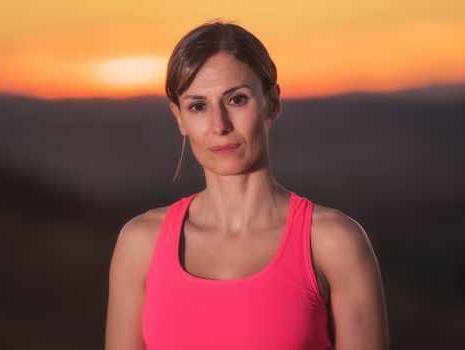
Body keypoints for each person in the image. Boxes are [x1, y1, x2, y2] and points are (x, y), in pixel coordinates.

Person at [105, 19, 389, 350]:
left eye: (236, 100)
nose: (219, 125)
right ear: (179, 117)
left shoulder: (334, 243)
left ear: (273, 102)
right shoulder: (140, 244)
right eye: (198, 106)